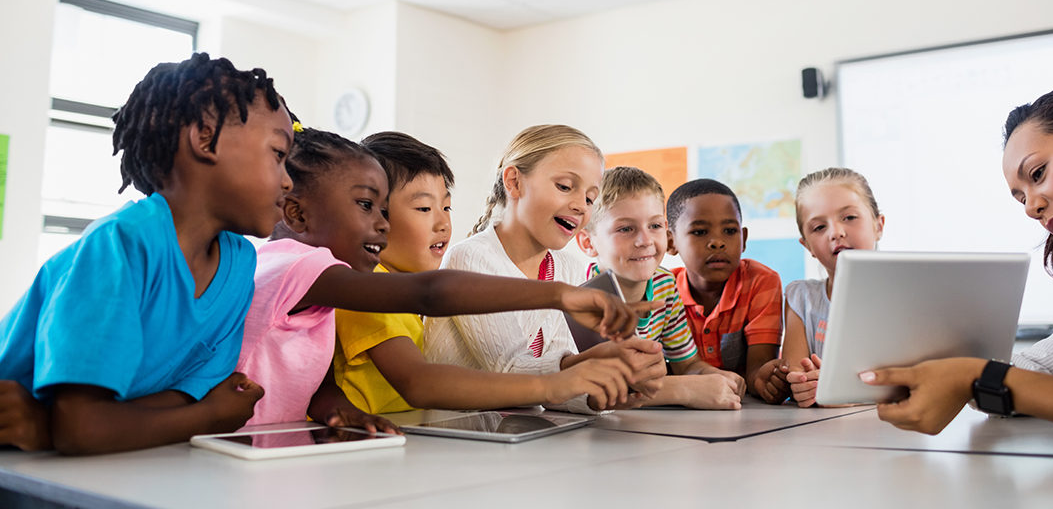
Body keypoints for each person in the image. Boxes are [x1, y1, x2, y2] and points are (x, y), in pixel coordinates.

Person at [241, 125, 651, 426]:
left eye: (446, 208)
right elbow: (430, 309)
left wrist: (335, 409)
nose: (381, 224)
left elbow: (317, 376)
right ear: (295, 213)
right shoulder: (312, 270)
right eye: (368, 206)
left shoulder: (339, 287)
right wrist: (558, 308)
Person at [0, 53, 288, 454]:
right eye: (279, 154)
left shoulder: (240, 263)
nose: (289, 181)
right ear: (206, 138)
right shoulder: (120, 245)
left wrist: (67, 426)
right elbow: (81, 429)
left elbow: (176, 399)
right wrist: (209, 419)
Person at [864, 83, 1053, 446]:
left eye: (1038, 173)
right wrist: (935, 372)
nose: (1031, 208)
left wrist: (974, 375)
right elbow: (1036, 369)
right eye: (1020, 197)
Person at [424, 124, 667, 413]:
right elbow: (509, 370)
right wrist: (585, 368)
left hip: (522, 438)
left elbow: (558, 384)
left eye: (590, 198)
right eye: (565, 187)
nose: (580, 206)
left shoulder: (568, 268)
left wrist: (604, 391)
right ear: (514, 182)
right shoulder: (471, 259)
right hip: (455, 440)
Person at [576, 166, 748, 409]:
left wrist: (714, 377)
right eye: (626, 228)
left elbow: (686, 364)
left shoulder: (665, 284)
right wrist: (687, 390)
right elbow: (597, 388)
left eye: (655, 226)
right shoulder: (580, 297)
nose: (645, 240)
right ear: (588, 243)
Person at [666, 179, 788, 403]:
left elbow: (756, 369)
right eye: (700, 231)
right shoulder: (662, 290)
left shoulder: (761, 282)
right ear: (670, 241)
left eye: (730, 231)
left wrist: (763, 380)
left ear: (744, 240)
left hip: (740, 409)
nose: (717, 242)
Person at [782, 167, 885, 407]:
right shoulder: (801, 298)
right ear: (807, 246)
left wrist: (837, 389)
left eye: (849, 217)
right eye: (819, 227)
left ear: (878, 226)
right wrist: (805, 386)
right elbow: (797, 375)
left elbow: (918, 381)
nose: (836, 233)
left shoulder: (910, 297)